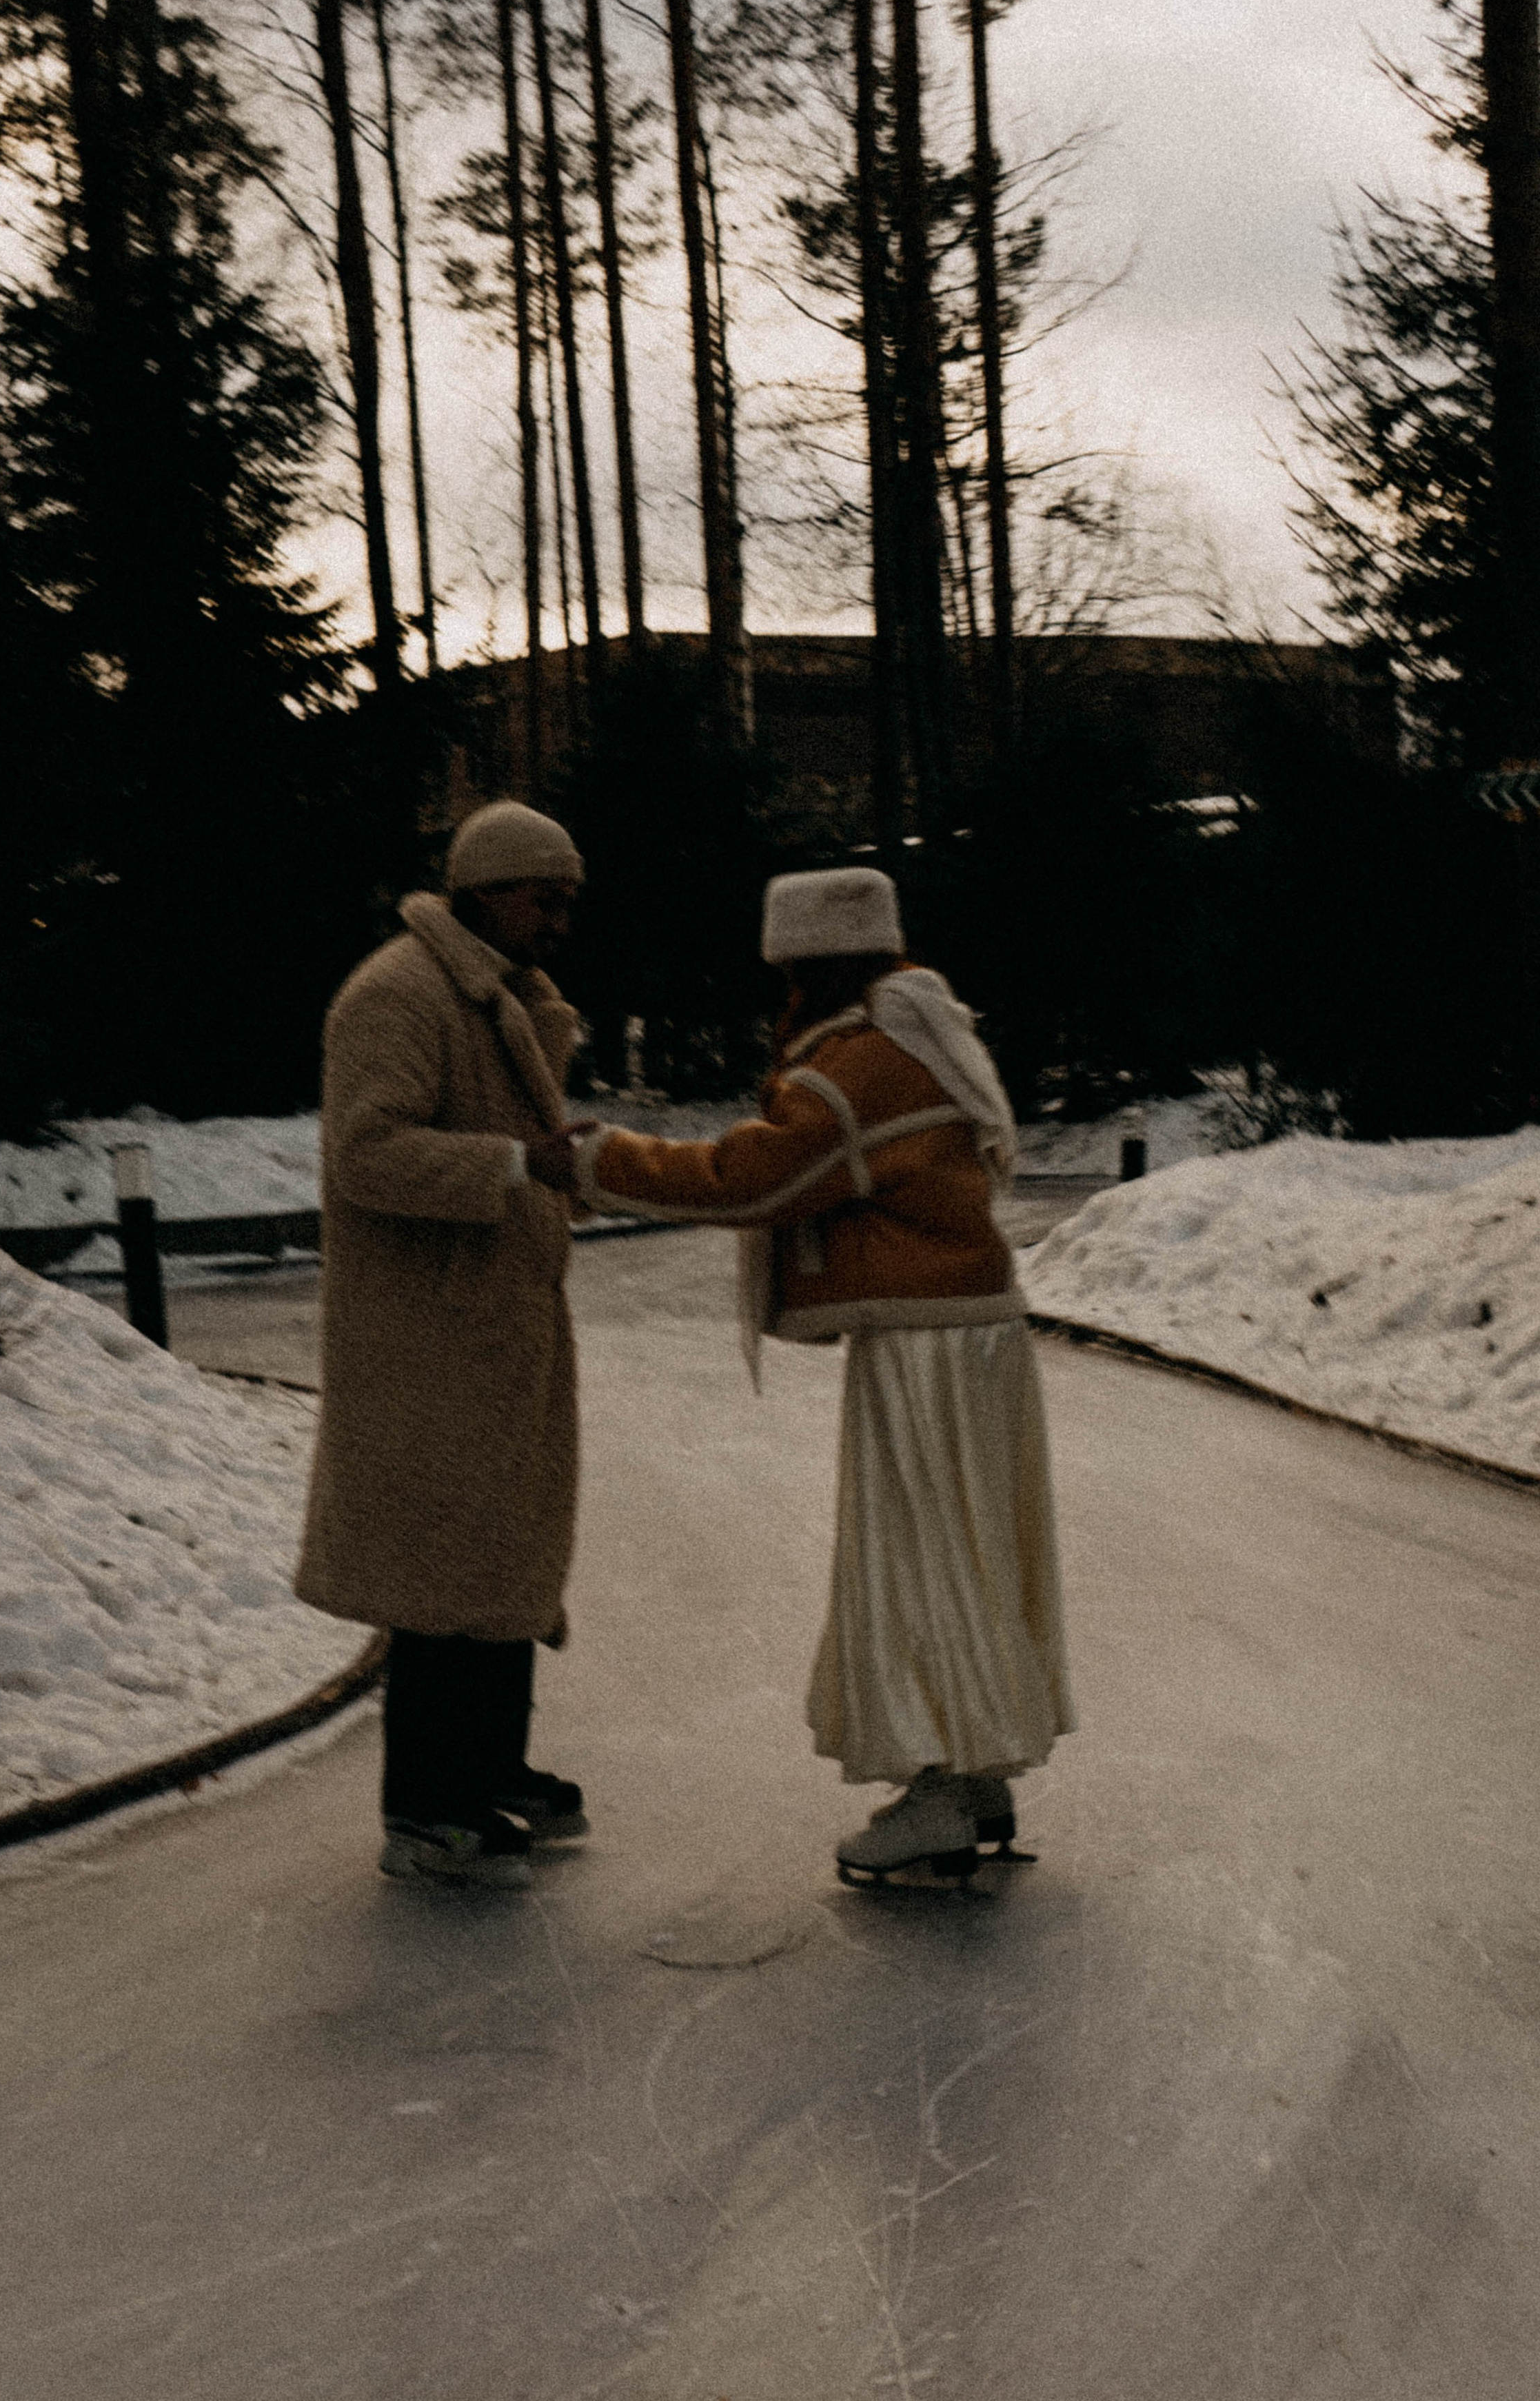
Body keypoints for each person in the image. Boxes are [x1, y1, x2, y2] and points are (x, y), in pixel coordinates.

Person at [543, 864, 1073, 1884]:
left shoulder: (863, 1062)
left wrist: (599, 1161)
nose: (781, 999)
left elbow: (756, 1178)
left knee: (921, 1559)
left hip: (925, 1347)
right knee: (968, 1553)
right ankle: (974, 1771)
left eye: (788, 975)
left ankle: (940, 1786)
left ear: (813, 966)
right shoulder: (925, 1027)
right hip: (968, 1335)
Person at [295, 800, 591, 1888]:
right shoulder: (400, 995)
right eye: (541, 896)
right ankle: (425, 1804)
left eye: (570, 899)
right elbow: (367, 1154)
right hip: (427, 1342)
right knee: (438, 1571)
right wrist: (518, 1165)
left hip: (493, 1330)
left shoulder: (502, 999)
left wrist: (546, 1167)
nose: (559, 918)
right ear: (483, 890)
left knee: (502, 1555)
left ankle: (491, 1768)